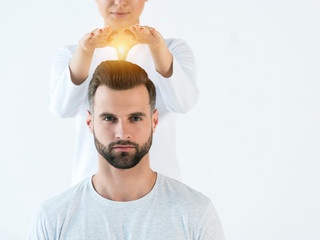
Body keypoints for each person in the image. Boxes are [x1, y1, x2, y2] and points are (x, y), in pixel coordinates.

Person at [30, 61, 224, 239]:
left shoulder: (195, 213)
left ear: (154, 121)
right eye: (109, 119)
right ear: (89, 122)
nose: (122, 133)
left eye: (135, 118)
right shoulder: (53, 218)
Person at [48, 0, 198, 185]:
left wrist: (157, 47)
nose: (119, 2)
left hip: (159, 186)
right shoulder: (73, 54)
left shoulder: (172, 49)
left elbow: (183, 102)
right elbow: (62, 108)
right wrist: (86, 51)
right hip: (92, 185)